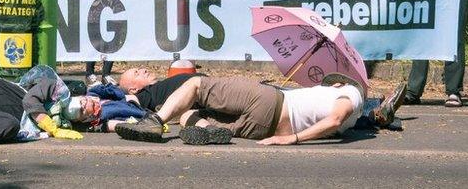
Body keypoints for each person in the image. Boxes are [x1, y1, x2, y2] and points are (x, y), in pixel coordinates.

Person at [114, 74, 363, 145]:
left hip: (270, 101)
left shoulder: (351, 93)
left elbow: (335, 118)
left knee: (197, 85)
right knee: (189, 115)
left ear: (341, 83)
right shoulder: (351, 125)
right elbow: (334, 124)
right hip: (264, 130)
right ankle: (209, 130)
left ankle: (155, 120)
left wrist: (291, 139)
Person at [118, 67, 200, 111]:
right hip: (205, 90)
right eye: (137, 73)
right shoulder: (145, 95)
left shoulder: (159, 87)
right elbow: (122, 100)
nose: (144, 70)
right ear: (133, 90)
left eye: (139, 69)